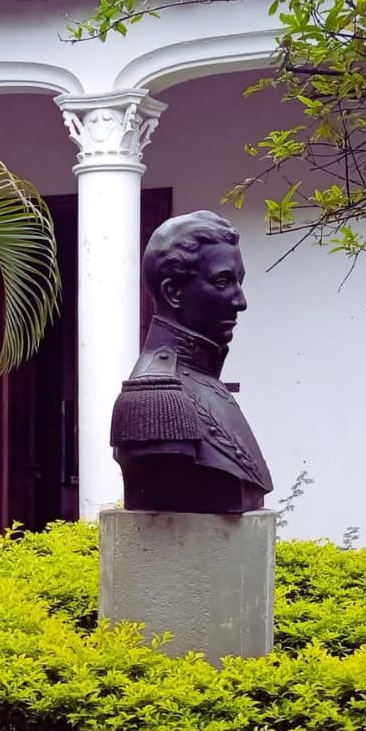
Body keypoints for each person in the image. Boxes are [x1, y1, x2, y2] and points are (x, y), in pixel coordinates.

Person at [110, 210, 273, 513]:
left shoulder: (202, 379)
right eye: (223, 282)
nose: (240, 302)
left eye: (239, 282)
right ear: (173, 292)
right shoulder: (156, 396)